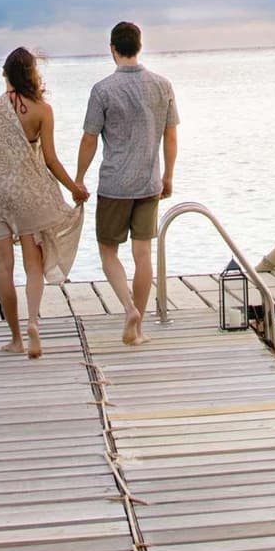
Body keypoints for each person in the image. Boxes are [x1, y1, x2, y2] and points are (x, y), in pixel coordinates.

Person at [0, 45, 86, 358]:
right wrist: (74, 188)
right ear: (32, 74)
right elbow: (50, 159)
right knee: (32, 264)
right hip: (26, 193)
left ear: (5, 74)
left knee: (3, 266)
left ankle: (15, 339)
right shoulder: (42, 110)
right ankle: (33, 323)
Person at [76, 19, 179, 345]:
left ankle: (128, 307)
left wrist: (78, 178)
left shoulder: (103, 90)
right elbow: (171, 136)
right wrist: (168, 175)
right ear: (139, 46)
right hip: (149, 183)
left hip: (114, 185)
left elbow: (90, 139)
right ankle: (138, 329)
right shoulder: (162, 85)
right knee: (143, 254)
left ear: (112, 49)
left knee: (108, 252)